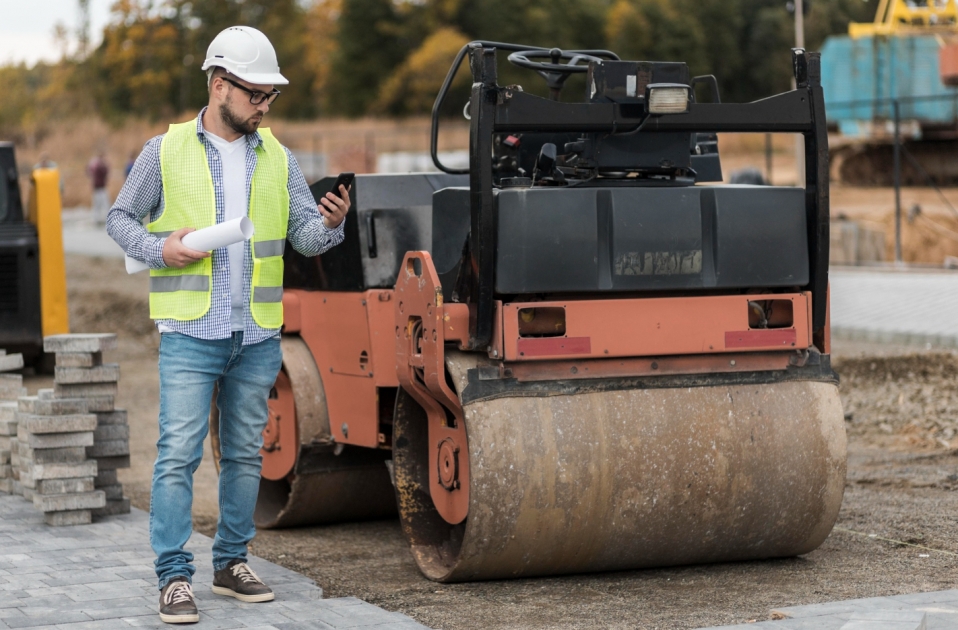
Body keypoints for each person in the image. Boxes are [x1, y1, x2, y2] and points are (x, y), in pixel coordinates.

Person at [106, 25, 351, 625]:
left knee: (244, 455)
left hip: (256, 334)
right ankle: (173, 577)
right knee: (177, 456)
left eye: (271, 97)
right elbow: (119, 219)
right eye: (256, 95)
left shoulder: (280, 159)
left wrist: (334, 222)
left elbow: (305, 239)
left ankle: (231, 561)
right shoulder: (163, 151)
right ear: (220, 86)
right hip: (190, 332)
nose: (265, 107)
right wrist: (163, 250)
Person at [87, 152, 109, 223]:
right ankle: (97, 219)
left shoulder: (94, 165)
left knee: (101, 204)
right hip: (99, 188)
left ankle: (99, 218)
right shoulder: (98, 166)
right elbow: (105, 171)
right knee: (100, 204)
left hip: (99, 188)